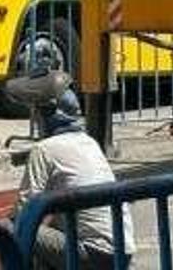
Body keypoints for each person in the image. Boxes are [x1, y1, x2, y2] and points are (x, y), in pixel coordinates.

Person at [10, 77, 136, 269]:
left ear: (43, 114)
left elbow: (24, 212)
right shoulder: (89, 143)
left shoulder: (44, 149)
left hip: (93, 253)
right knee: (51, 230)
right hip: (122, 252)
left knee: (9, 228)